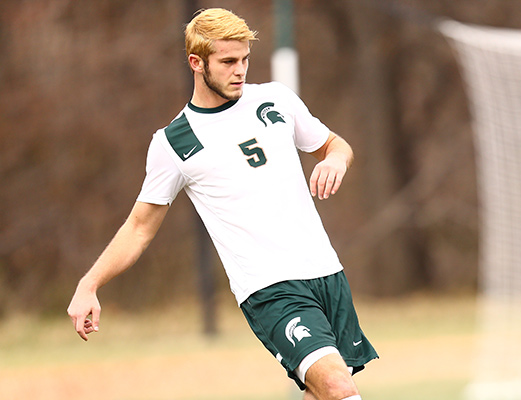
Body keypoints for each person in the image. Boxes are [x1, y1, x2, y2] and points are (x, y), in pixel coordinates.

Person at [67, 8, 377, 400]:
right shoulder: (175, 141)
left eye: (245, 59)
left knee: (321, 392)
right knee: (337, 386)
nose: (240, 70)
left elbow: (335, 144)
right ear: (196, 63)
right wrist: (89, 283)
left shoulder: (276, 99)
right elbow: (139, 227)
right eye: (228, 61)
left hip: (327, 273)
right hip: (270, 288)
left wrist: (334, 158)